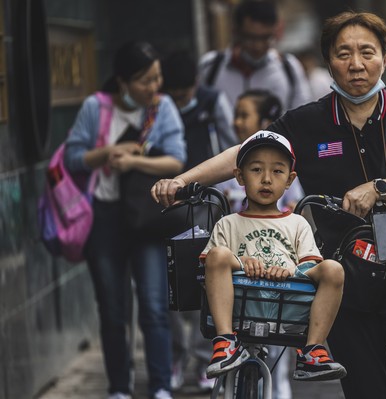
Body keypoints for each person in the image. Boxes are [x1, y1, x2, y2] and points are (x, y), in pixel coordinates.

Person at [151, 10, 386, 399]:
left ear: (385, 58)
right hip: (344, 284)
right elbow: (244, 152)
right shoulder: (308, 122)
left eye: (367, 52)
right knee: (366, 391)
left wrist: (378, 188)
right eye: (344, 54)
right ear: (329, 61)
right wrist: (183, 181)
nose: (356, 64)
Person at [65, 41, 185, 399]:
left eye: (157, 78)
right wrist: (107, 153)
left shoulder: (162, 109)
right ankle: (119, 387)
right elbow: (73, 157)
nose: (154, 87)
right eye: (145, 80)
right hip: (104, 218)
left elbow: (177, 162)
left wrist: (135, 162)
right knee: (113, 309)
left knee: (153, 305)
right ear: (123, 82)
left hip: (146, 217)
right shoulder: (94, 108)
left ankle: (161, 385)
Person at [199, 131, 347, 383]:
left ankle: (312, 350)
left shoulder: (297, 223)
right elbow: (212, 265)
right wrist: (241, 262)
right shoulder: (228, 223)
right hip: (239, 308)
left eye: (277, 171)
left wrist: (290, 268)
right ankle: (225, 342)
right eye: (256, 170)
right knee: (218, 254)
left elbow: (309, 266)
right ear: (239, 176)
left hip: (287, 310)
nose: (266, 179)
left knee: (333, 268)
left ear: (290, 180)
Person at [160, 49, 238, 393]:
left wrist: (232, 190)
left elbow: (231, 146)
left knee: (207, 282)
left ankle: (207, 356)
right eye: (174, 92)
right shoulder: (159, 107)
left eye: (185, 91)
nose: (180, 98)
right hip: (167, 206)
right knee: (174, 286)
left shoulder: (211, 101)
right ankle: (178, 356)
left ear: (195, 83)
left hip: (206, 206)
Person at [198, 0, 311, 112]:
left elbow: (302, 116)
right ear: (236, 32)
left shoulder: (289, 68)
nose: (258, 46)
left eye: (265, 38)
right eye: (251, 38)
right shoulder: (211, 67)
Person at [222, 89, 304, 214]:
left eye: (244, 116)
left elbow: (296, 203)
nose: (236, 122)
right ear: (239, 175)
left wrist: (291, 211)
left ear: (266, 123)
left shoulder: (284, 160)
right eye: (256, 169)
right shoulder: (225, 162)